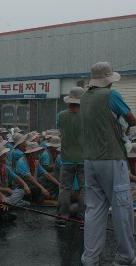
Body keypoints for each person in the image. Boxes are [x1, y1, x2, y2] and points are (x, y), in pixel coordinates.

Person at [80, 62, 136, 266]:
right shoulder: (111, 95)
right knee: (122, 207)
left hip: (90, 161)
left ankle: (90, 258)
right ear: (108, 80)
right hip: (111, 158)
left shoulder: (84, 98)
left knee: (94, 209)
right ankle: (125, 257)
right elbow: (132, 119)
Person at [56, 86, 85, 228]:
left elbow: (60, 130)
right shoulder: (87, 115)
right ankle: (83, 219)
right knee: (84, 188)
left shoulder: (61, 115)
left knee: (65, 188)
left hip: (66, 158)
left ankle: (62, 217)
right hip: (84, 158)